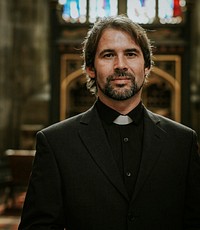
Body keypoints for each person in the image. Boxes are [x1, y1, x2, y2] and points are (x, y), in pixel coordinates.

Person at [18, 15, 200, 230]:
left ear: (147, 66)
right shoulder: (56, 143)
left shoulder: (182, 141)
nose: (120, 65)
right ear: (90, 68)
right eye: (108, 55)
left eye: (131, 54)